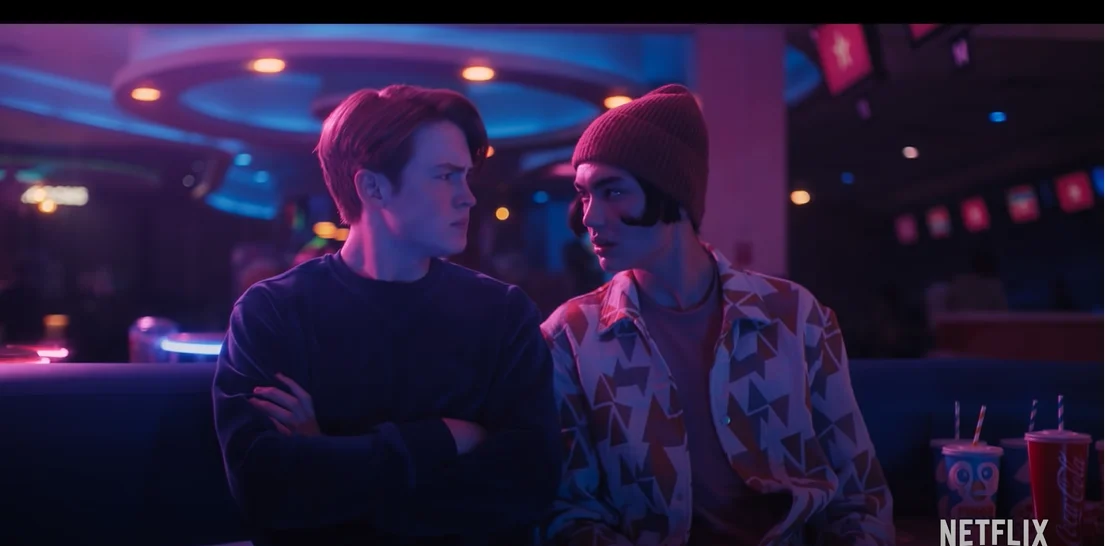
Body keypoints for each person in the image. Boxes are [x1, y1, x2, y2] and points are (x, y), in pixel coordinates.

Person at [537, 84, 894, 546]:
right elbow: (569, 511)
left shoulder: (794, 316)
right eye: (584, 195)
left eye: (613, 191)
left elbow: (860, 496)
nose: (589, 217)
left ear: (673, 193)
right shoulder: (570, 336)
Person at [212, 85, 561, 546]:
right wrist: (441, 440)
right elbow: (264, 490)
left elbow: (529, 484)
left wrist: (325, 455)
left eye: (465, 176)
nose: (468, 197)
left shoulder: (503, 313)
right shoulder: (273, 312)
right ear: (373, 187)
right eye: (445, 176)